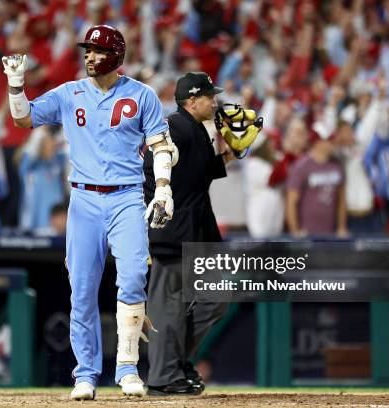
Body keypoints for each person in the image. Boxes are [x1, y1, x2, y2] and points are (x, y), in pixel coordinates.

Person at [2, 25, 178, 399]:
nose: (89, 57)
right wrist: (16, 88)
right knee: (81, 290)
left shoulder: (142, 95)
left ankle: (128, 367)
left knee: (131, 277)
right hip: (83, 200)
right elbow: (24, 119)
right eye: (87, 50)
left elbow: (161, 144)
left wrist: (162, 187)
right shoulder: (69, 92)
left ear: (115, 55)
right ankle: (85, 373)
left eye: (97, 51)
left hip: (127, 196)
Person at [143, 72, 262, 395]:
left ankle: (177, 362)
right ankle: (163, 378)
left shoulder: (196, 129)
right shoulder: (173, 127)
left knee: (215, 299)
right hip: (172, 231)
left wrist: (230, 153)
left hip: (197, 232)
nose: (215, 100)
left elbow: (201, 172)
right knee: (168, 311)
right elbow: (153, 170)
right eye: (209, 96)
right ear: (191, 101)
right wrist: (157, 209)